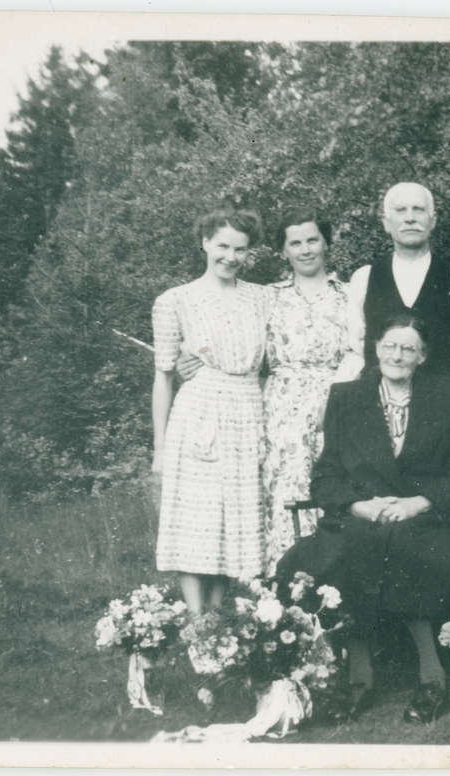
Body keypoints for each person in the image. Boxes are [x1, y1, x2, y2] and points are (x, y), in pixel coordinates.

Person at [278, 314, 450, 723]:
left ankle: (431, 677)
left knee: (404, 545)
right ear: (376, 349)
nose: (397, 355)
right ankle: (360, 676)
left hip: (423, 518)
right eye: (390, 346)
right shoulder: (347, 397)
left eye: (408, 348)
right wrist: (358, 505)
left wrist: (417, 503)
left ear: (422, 356)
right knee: (349, 545)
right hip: (361, 517)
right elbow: (325, 476)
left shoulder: (447, 394)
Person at [151, 208, 270, 614]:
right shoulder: (175, 301)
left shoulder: (262, 298)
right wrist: (159, 449)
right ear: (204, 242)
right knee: (195, 519)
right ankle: (195, 619)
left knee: (231, 520)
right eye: (222, 246)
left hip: (248, 412)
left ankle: (217, 617)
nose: (231, 257)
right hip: (199, 414)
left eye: (241, 249)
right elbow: (163, 377)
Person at [337, 182, 450, 421]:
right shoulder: (364, 278)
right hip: (376, 411)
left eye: (418, 209)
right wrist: (336, 397)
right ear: (386, 223)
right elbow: (356, 351)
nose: (410, 218)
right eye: (400, 210)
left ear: (433, 220)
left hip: (442, 412)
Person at [261, 207, 352, 573]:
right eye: (295, 243)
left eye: (313, 240)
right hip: (282, 407)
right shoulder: (268, 297)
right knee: (287, 490)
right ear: (283, 251)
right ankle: (283, 586)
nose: (306, 249)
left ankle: (336, 587)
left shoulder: (349, 295)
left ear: (326, 243)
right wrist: (195, 356)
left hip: (338, 401)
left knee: (335, 487)